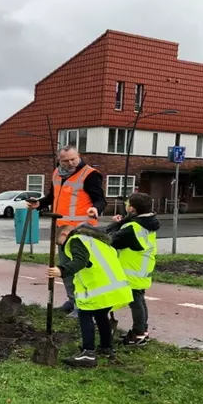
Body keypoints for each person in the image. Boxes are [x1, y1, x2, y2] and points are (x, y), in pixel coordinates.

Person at [28, 146, 106, 317]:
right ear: (59, 160)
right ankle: (73, 300)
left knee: (80, 268)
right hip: (62, 229)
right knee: (65, 267)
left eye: (73, 159)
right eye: (66, 160)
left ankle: (84, 306)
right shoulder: (57, 173)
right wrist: (39, 204)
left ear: (79, 156)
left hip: (82, 230)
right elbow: (52, 196)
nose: (71, 163)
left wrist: (95, 209)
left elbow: (101, 199)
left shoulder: (91, 174)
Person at [47, 224, 133, 368]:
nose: (62, 248)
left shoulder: (76, 239)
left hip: (97, 289)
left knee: (84, 314)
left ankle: (88, 353)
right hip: (114, 288)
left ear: (63, 235)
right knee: (101, 315)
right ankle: (106, 348)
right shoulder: (97, 242)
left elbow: (80, 260)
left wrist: (62, 270)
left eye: (60, 244)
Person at [106, 192, 160, 346]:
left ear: (132, 208)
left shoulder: (133, 227)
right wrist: (122, 222)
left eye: (128, 205)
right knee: (139, 300)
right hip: (142, 267)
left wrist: (114, 225)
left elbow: (111, 240)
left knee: (136, 302)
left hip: (133, 270)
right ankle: (142, 330)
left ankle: (139, 334)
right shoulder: (148, 222)